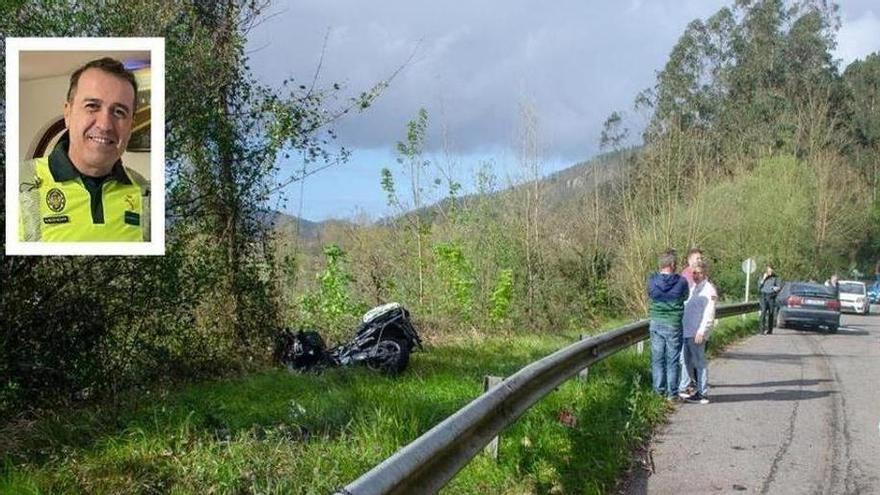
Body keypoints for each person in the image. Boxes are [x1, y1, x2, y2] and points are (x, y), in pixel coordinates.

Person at [19, 57, 150, 242]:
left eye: (119, 112)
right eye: (92, 106)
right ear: (68, 113)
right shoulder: (16, 184)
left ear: (131, 126)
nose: (105, 125)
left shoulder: (147, 195)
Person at [648, 250, 690, 401]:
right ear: (672, 264)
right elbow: (685, 296)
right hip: (673, 324)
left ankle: (659, 392)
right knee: (672, 360)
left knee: (657, 359)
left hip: (656, 323)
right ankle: (672, 394)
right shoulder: (682, 282)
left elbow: (650, 294)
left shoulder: (652, 280)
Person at [678, 260, 716, 404]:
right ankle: (685, 389)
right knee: (686, 362)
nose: (696, 275)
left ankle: (703, 393)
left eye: (699, 273)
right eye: (694, 272)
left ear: (705, 273)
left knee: (699, 363)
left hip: (697, 333)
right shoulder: (693, 288)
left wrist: (702, 331)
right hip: (687, 332)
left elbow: (709, 314)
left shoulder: (709, 290)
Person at [758, 264, 782, 334]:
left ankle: (770, 330)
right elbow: (759, 287)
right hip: (763, 296)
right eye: (769, 270)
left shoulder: (776, 278)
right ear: (766, 270)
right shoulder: (762, 276)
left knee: (771, 313)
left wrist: (775, 288)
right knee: (763, 312)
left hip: (771, 296)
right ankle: (761, 330)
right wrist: (763, 278)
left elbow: (779, 287)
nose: (770, 272)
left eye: (771, 270)